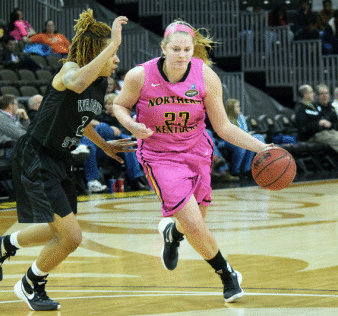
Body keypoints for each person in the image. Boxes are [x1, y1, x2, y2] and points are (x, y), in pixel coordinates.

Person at [0, 10, 132, 311]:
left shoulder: (100, 86)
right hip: (36, 155)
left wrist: (104, 144)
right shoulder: (70, 69)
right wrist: (113, 43)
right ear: (95, 52)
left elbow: (83, 120)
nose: (115, 59)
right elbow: (75, 83)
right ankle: (29, 284)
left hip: (60, 160)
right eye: (111, 53)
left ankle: (0, 246)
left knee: (56, 231)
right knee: (71, 237)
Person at [112, 20, 272, 303]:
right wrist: (131, 125)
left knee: (194, 222)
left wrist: (261, 148)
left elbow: (223, 127)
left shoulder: (206, 76)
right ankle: (227, 275)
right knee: (195, 224)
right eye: (176, 49)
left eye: (187, 49)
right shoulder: (140, 75)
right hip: (159, 156)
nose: (182, 55)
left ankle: (173, 234)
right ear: (163, 48)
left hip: (196, 153)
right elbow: (118, 104)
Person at [73, 93, 149, 193]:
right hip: (102, 148)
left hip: (118, 148)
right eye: (107, 104)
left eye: (112, 103)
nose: (109, 106)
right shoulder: (100, 116)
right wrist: (109, 127)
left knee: (126, 142)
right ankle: (136, 178)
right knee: (102, 128)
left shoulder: (125, 117)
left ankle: (136, 179)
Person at [215, 99, 266, 178]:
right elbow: (227, 133)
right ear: (231, 108)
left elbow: (245, 130)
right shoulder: (224, 118)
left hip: (241, 137)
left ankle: (246, 169)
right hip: (228, 139)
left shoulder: (241, 116)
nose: (239, 108)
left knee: (258, 138)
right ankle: (236, 170)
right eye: (237, 107)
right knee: (242, 145)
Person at [0, 94, 29, 159]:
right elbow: (19, 134)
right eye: (16, 104)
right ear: (10, 106)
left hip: (18, 148)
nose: (18, 107)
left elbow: (28, 131)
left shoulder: (14, 117)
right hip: (8, 151)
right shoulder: (0, 118)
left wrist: (25, 119)